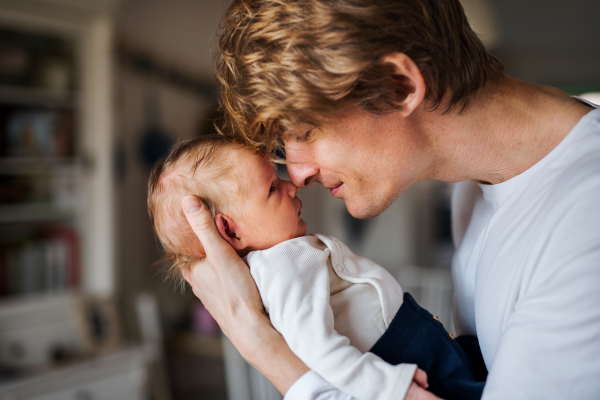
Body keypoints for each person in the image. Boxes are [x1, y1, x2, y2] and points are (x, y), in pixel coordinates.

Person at [180, 0, 600, 399]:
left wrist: (257, 341)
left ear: (398, 85)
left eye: (305, 132)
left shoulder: (585, 224)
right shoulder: (473, 184)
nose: (300, 173)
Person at [148, 136, 487, 400]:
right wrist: (393, 389)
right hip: (399, 359)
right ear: (230, 230)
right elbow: (317, 349)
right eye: (271, 188)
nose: (290, 184)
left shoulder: (277, 264)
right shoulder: (283, 264)